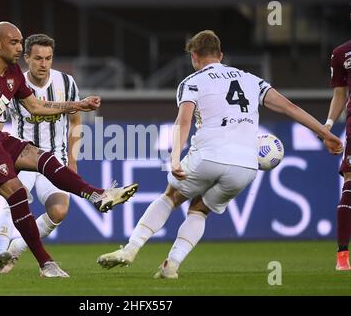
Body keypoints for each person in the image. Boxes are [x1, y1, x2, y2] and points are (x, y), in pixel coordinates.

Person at [97, 30, 343, 279]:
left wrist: (174, 159)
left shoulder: (192, 82)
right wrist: (325, 133)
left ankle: (130, 249)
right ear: (221, 55)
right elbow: (289, 107)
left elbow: (183, 122)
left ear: (194, 56)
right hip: (246, 167)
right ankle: (171, 265)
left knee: (170, 197)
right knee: (200, 210)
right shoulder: (251, 80)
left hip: (209, 155)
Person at [0, 21, 138, 278]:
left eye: (20, 41)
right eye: (14, 42)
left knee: (43, 158)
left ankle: (98, 195)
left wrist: (77, 105)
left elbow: (35, 106)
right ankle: (43, 263)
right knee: (16, 195)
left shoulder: (14, 73)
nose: (18, 47)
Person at [0, 33, 83, 275]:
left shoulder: (67, 83)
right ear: (27, 58)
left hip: (55, 157)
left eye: (48, 58)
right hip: (23, 157)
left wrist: (72, 162)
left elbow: (75, 122)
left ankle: (14, 250)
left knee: (59, 210)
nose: (44, 64)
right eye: (38, 58)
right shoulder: (12, 84)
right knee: (13, 201)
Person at [323, 38, 351, 271]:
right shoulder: (341, 53)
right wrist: (328, 126)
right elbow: (340, 93)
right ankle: (343, 255)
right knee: (350, 183)